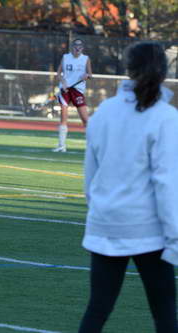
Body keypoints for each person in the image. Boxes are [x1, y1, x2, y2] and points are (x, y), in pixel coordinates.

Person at [79, 41, 178, 332]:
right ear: (163, 71)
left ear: (128, 69)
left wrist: (102, 210)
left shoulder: (105, 112)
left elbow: (90, 177)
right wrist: (175, 236)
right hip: (149, 230)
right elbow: (167, 184)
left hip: (106, 223)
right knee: (165, 312)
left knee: (97, 310)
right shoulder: (166, 118)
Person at [53, 38, 92, 152]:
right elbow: (58, 73)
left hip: (78, 90)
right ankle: (61, 145)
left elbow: (90, 74)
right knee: (63, 118)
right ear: (72, 48)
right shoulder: (65, 57)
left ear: (82, 48)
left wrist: (87, 76)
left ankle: (92, 145)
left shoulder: (86, 59)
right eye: (75, 47)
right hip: (65, 90)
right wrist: (64, 83)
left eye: (80, 47)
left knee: (85, 119)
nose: (77, 49)